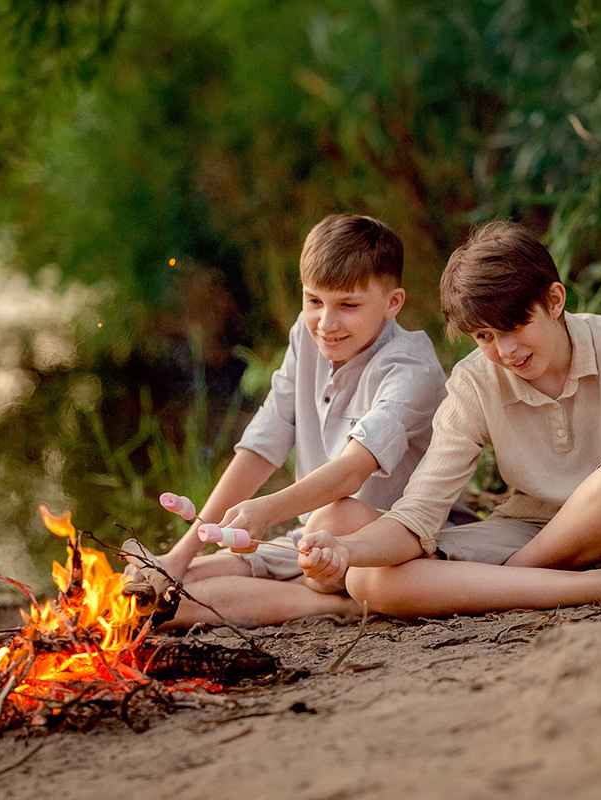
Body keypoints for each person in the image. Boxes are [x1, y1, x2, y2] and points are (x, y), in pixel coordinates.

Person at [298, 220, 601, 618]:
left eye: (514, 326)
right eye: (484, 336)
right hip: (531, 527)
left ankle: (519, 578)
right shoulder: (474, 383)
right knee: (372, 579)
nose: (504, 351)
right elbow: (420, 511)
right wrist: (345, 552)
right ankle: (598, 585)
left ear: (553, 301)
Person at [138, 213, 449, 627]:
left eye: (348, 306)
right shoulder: (306, 337)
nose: (327, 323)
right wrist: (182, 552)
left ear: (393, 302)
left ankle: (339, 602)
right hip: (314, 546)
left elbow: (352, 472)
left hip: (391, 542)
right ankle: (331, 601)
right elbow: (262, 445)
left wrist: (265, 512)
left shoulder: (409, 367)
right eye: (314, 301)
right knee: (167, 599)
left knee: (333, 516)